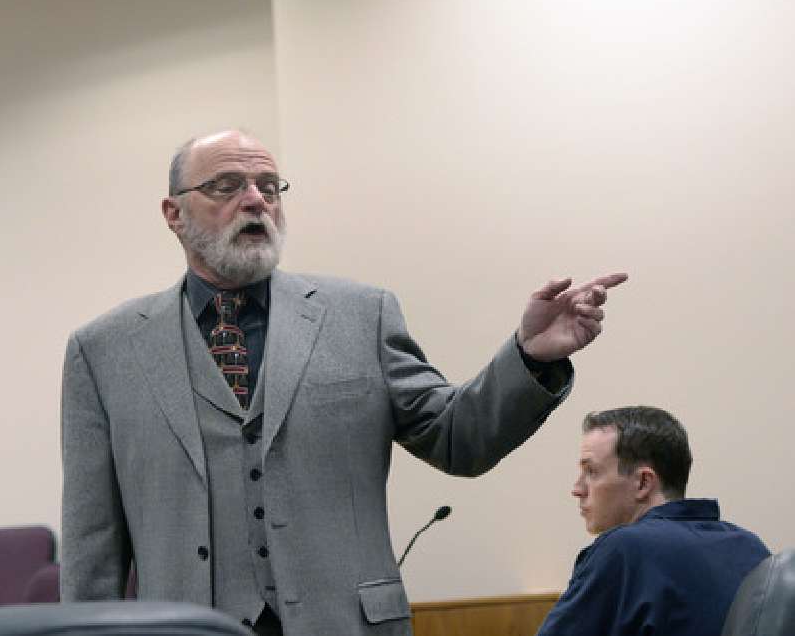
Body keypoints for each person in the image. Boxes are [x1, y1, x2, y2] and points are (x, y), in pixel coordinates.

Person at [60, 129, 628, 635]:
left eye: (269, 186)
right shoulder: (104, 352)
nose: (255, 199)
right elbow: (93, 545)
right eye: (227, 185)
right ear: (173, 212)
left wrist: (528, 357)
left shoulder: (361, 317)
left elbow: (460, 440)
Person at [536, 406, 770, 636]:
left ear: (643, 483)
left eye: (591, 471)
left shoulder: (623, 550)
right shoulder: (751, 547)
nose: (577, 489)